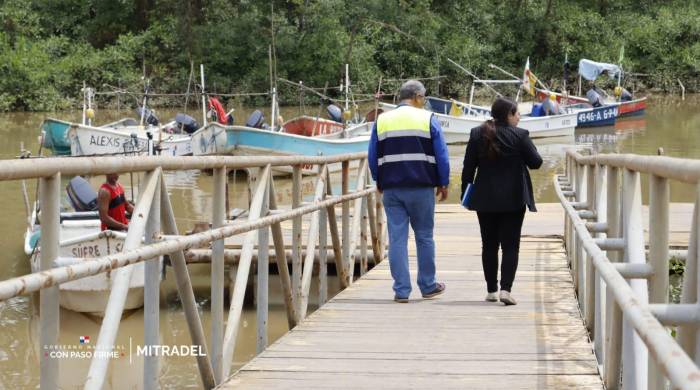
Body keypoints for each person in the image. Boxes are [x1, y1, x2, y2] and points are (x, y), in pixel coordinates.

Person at [368, 80, 450, 303]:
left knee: (397, 239)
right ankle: (428, 285)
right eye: (423, 97)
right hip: (422, 187)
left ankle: (401, 290)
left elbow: (372, 155)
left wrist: (378, 179)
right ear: (416, 96)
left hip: (392, 189)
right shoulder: (428, 119)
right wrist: (443, 182)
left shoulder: (382, 120)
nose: (424, 101)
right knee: (424, 237)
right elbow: (441, 154)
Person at [460, 98, 543, 306]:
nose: (519, 117)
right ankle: (506, 290)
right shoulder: (520, 135)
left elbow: (468, 168)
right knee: (510, 245)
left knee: (488, 244)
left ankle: (491, 290)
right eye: (517, 114)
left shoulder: (477, 133)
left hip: (484, 199)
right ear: (508, 115)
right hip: (513, 199)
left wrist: (465, 196)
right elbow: (536, 162)